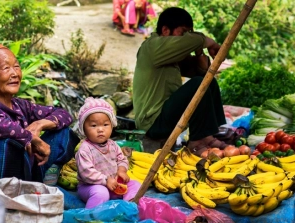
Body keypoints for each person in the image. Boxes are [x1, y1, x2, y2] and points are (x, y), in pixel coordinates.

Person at [0, 36, 79, 185]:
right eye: (6, 68)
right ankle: (4, 197)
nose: (14, 73)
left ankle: (47, 179)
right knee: (5, 144)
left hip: (22, 174)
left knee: (63, 133)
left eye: (16, 66)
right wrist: (30, 138)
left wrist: (39, 124)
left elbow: (64, 114)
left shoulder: (21, 106)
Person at [132, 7, 227, 156]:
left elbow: (201, 72)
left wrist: (200, 53)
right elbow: (194, 40)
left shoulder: (171, 55)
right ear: (165, 30)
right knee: (197, 84)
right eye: (183, 33)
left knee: (207, 82)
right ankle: (197, 141)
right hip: (152, 122)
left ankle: (208, 135)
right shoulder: (151, 47)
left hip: (166, 118)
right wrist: (208, 42)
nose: (186, 37)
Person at [75, 97, 141, 208]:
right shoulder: (84, 149)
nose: (100, 129)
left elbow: (122, 159)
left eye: (105, 125)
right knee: (101, 193)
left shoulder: (113, 145)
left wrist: (121, 171)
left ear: (112, 125)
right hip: (91, 186)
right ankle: (91, 217)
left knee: (135, 185)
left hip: (114, 184)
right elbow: (86, 172)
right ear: (83, 129)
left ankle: (129, 206)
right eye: (94, 126)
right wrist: (105, 180)